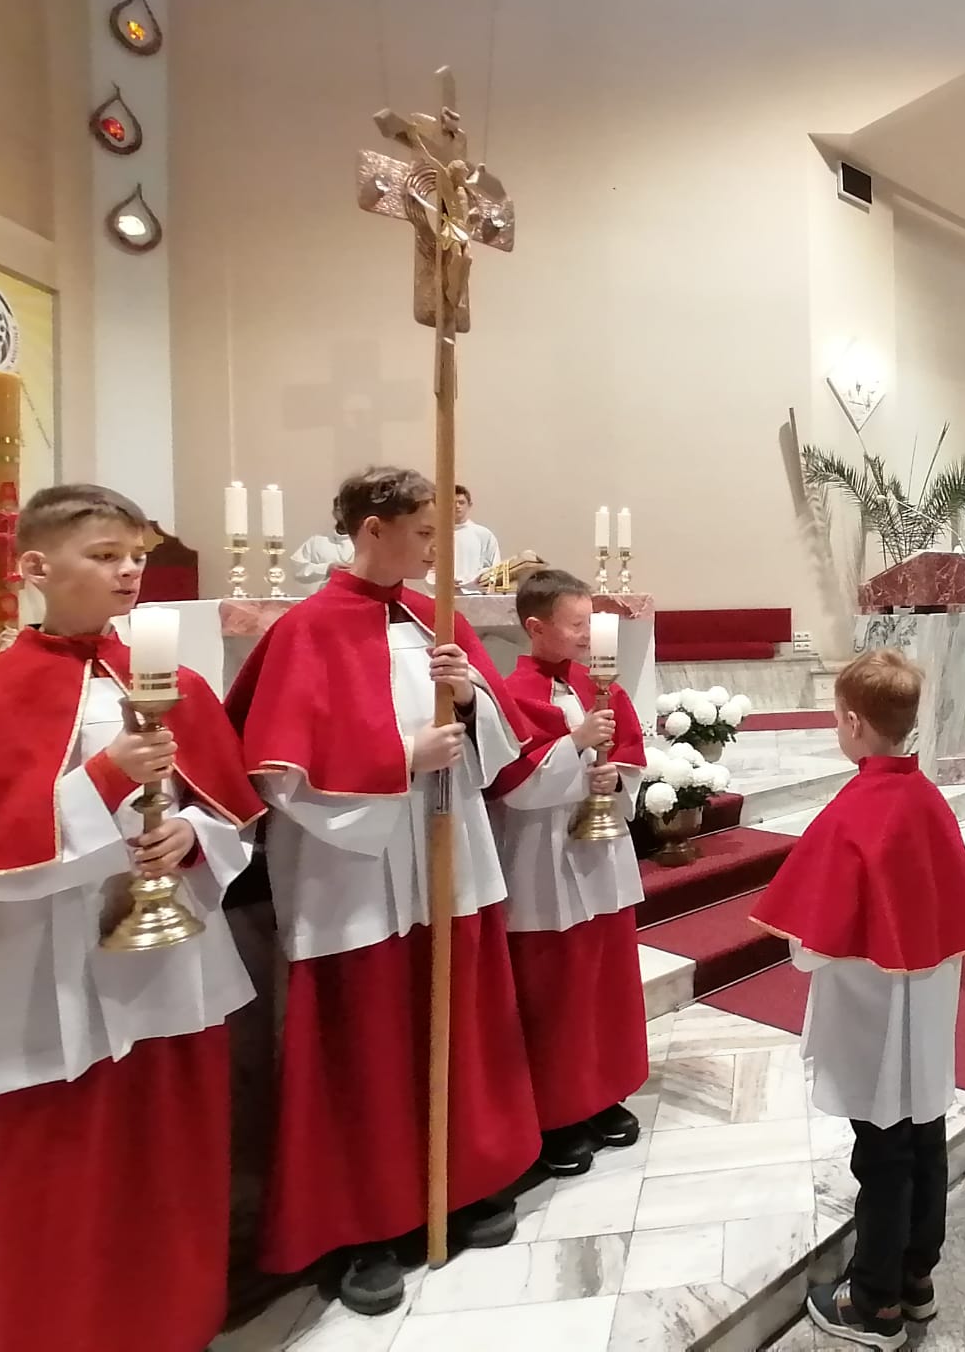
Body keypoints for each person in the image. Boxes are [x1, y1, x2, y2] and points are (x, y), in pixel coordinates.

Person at [0, 485, 264, 1352]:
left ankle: (172, 1322)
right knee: (57, 1179)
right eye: (104, 555)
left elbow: (230, 817)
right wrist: (108, 775)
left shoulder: (180, 686)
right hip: (39, 986)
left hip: (166, 974)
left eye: (135, 556)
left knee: (166, 1158)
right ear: (35, 568)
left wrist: (194, 841)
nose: (129, 572)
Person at [227, 466, 540, 1315]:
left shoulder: (437, 621)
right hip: (353, 876)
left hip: (448, 859)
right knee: (360, 1047)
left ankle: (458, 1179)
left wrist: (470, 700)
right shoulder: (306, 630)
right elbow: (277, 771)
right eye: (426, 533)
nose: (440, 550)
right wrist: (401, 760)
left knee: (454, 1020)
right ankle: (360, 1223)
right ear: (374, 529)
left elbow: (502, 746)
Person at [753, 650, 965, 1351]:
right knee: (924, 1135)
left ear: (852, 723)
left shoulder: (853, 810)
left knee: (881, 1150)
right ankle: (916, 1277)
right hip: (929, 1001)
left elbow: (811, 942)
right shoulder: (928, 799)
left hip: (871, 1011)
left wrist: (823, 944)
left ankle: (875, 1303)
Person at [487, 568, 650, 1177]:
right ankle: (557, 1114)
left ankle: (603, 1092)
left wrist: (617, 778)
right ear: (535, 627)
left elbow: (630, 750)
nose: (587, 635)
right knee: (555, 993)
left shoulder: (599, 685)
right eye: (575, 624)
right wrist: (575, 742)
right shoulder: (509, 693)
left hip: (601, 859)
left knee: (604, 982)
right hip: (544, 862)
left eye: (590, 624)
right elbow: (511, 784)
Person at [452, 483, 502, 588]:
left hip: (475, 592)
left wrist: (471, 580)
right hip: (443, 592)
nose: (457, 506)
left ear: (469, 505)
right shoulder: (436, 535)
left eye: (461, 502)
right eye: (452, 502)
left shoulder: (483, 534)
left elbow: (494, 567)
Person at [290, 517, 354, 591]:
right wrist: (326, 568)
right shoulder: (316, 542)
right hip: (323, 595)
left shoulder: (365, 544)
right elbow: (298, 570)